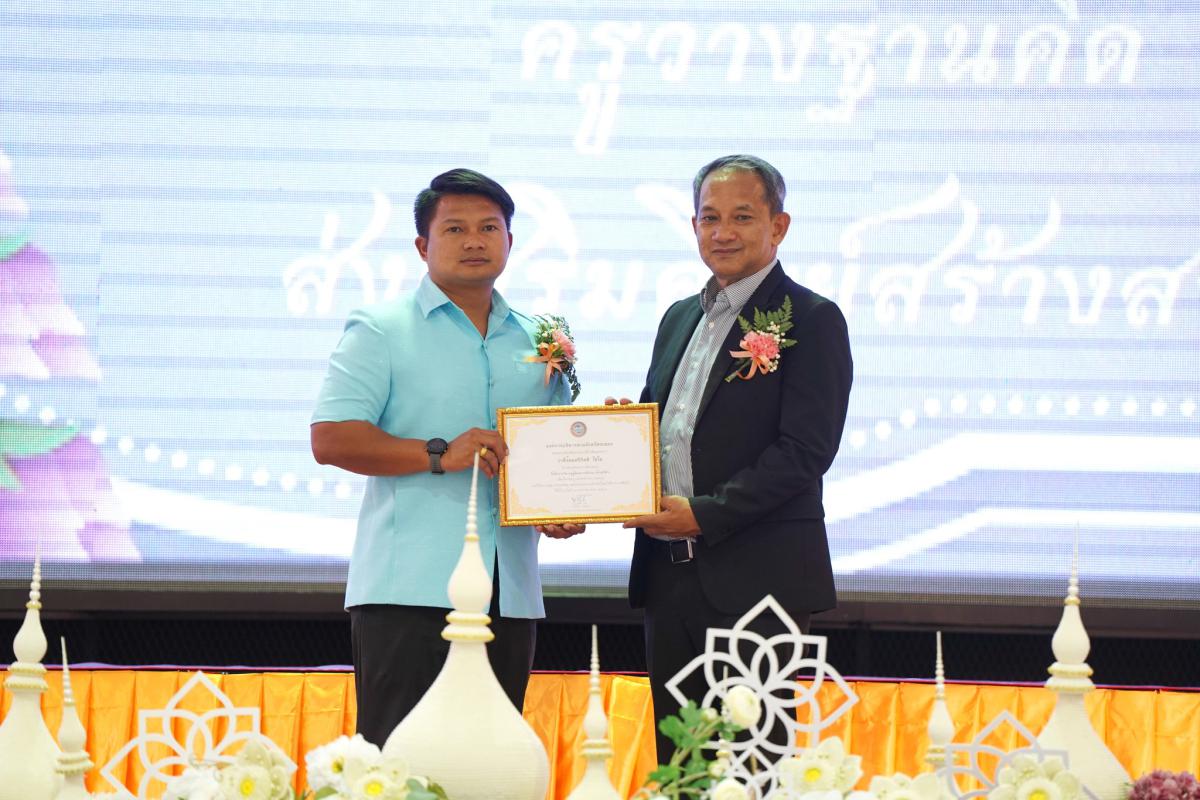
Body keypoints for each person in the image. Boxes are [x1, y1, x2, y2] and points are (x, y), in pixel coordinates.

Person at [311, 168, 581, 747]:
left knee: (494, 769)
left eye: (489, 227)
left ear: (510, 240)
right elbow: (331, 438)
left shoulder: (540, 339)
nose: (474, 240)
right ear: (422, 245)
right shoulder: (380, 329)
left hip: (508, 593)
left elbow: (550, 454)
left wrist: (563, 507)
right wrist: (439, 453)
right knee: (398, 765)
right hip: (409, 592)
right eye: (455, 228)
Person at [621, 155, 853, 760]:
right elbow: (665, 429)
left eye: (742, 217)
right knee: (680, 764)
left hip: (758, 582)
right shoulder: (679, 317)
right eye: (709, 218)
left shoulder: (812, 319)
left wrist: (704, 514)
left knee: (751, 764)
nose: (722, 232)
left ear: (779, 226)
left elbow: (805, 452)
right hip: (668, 576)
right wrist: (619, 442)